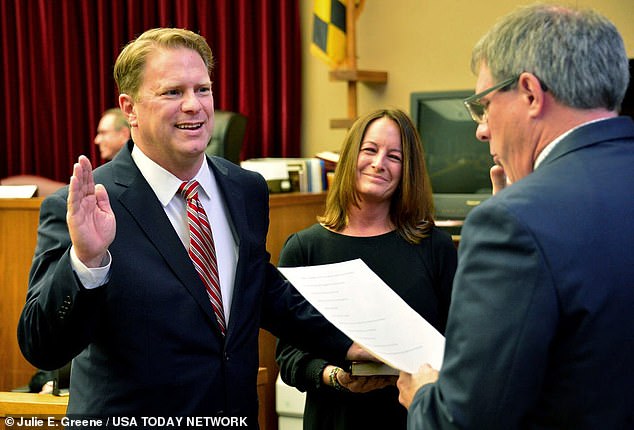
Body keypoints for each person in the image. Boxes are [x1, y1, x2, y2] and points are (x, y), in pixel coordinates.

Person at [17, 28, 366, 424]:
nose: (193, 106)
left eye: (202, 89)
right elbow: (41, 346)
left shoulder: (244, 188)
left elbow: (261, 288)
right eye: (172, 92)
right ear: (129, 108)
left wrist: (353, 345)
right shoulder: (84, 205)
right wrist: (87, 261)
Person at [397, 4, 634, 429]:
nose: (481, 130)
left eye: (484, 105)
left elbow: (460, 423)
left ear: (529, 93)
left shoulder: (510, 224)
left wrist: (424, 395)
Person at [276, 108, 457, 430]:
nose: (378, 163)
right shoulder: (304, 249)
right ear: (350, 157)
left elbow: (458, 342)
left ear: (407, 170)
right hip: (335, 419)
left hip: (413, 418)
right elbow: (289, 357)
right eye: (370, 150)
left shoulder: (436, 248)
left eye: (394, 157)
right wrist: (335, 377)